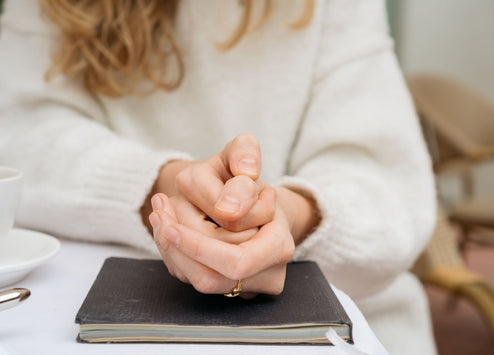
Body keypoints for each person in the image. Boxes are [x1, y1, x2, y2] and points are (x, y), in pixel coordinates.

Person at [0, 0, 437, 353]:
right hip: (88, 313)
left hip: (349, 325)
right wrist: (167, 188)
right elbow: (20, 135)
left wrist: (281, 215)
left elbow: (389, 190)